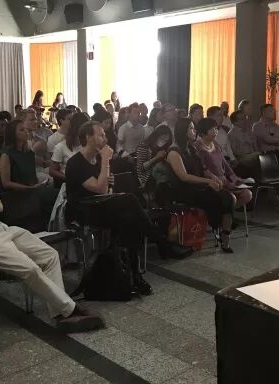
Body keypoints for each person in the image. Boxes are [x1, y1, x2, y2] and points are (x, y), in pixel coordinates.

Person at [0, 134, 104, 332]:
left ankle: (60, 312)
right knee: (29, 268)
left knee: (49, 255)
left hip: (1, 228)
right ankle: (70, 310)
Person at [65, 122, 192, 296]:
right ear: (88, 137)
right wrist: (106, 161)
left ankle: (135, 275)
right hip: (82, 209)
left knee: (131, 221)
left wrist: (108, 178)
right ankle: (161, 243)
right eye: (100, 135)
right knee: (130, 200)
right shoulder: (76, 162)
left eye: (104, 135)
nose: (105, 139)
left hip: (99, 204)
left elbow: (106, 191)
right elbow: (100, 189)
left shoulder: (98, 160)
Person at [160, 118, 235, 252]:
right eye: (191, 128)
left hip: (198, 186)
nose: (194, 131)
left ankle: (226, 234)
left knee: (228, 197)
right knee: (215, 199)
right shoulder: (174, 152)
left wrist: (214, 178)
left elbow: (203, 169)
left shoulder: (191, 148)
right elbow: (184, 177)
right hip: (184, 190)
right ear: (183, 131)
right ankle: (216, 226)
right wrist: (208, 182)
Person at [0, 120, 59, 231]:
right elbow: (6, 183)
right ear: (13, 134)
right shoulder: (6, 154)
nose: (26, 132)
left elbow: (32, 175)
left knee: (56, 194)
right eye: (22, 130)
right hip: (17, 196)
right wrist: (29, 188)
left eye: (25, 129)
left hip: (32, 192)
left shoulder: (29, 153)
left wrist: (38, 185)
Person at [194, 118, 252, 210]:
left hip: (224, 181)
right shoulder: (197, 147)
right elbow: (202, 169)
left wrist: (234, 178)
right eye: (212, 129)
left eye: (216, 129)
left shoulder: (216, 144)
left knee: (247, 194)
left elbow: (225, 164)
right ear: (203, 132)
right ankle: (223, 213)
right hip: (211, 183)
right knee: (230, 198)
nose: (216, 132)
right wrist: (218, 180)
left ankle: (227, 212)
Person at [50, 112, 90, 182]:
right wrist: (69, 178)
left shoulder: (89, 145)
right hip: (70, 183)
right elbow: (52, 171)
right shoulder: (61, 147)